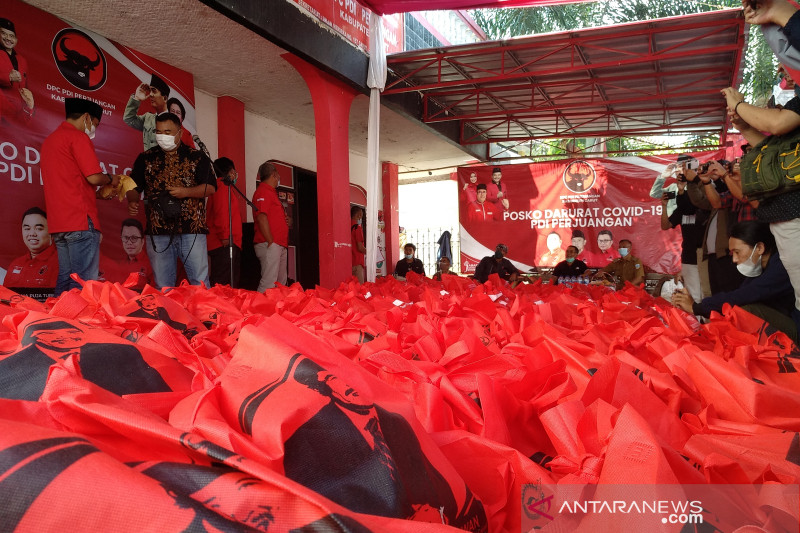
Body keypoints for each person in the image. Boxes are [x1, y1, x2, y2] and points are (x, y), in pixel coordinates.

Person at [127, 112, 215, 289]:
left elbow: (211, 187)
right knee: (163, 286)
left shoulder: (197, 157)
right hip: (158, 231)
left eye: (168, 132)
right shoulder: (146, 158)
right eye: (159, 132)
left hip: (192, 229)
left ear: (180, 133)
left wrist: (185, 192)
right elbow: (132, 188)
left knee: (200, 283)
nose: (162, 136)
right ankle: (167, 316)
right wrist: (132, 200)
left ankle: (204, 315)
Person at [40, 98, 119, 296]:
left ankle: (58, 323)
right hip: (80, 222)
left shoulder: (50, 141)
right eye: (95, 124)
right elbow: (93, 177)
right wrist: (111, 178)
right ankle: (78, 324)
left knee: (66, 278)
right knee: (82, 282)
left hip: (59, 224)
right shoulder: (77, 137)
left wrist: (99, 195)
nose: (94, 129)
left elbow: (70, 183)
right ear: (86, 117)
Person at [672, 221, 797, 342]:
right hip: (784, 323)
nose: (734, 259)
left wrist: (697, 307)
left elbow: (743, 296)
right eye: (732, 253)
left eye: (737, 252)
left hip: (796, 330)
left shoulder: (781, 267)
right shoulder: (760, 267)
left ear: (759, 248)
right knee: (735, 309)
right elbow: (740, 294)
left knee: (745, 311)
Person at [0, 319, 170, 401]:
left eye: (72, 334)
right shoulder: (16, 366)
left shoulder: (121, 352)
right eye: (47, 335)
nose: (65, 339)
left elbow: (158, 393)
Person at [660, 179, 705, 303]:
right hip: (689, 255)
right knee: (693, 294)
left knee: (707, 292)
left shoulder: (705, 208)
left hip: (705, 255)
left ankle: (709, 320)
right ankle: (696, 321)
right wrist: (664, 206)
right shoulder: (682, 210)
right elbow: (665, 225)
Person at [252, 162, 289, 291]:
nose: (279, 178)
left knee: (280, 284)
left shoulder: (272, 193)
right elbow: (261, 217)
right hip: (270, 244)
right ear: (274, 174)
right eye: (278, 174)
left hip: (279, 244)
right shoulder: (263, 191)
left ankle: (278, 310)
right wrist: (270, 241)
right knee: (269, 283)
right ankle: (261, 310)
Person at [207, 157, 242, 287]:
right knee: (223, 283)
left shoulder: (224, 186)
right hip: (223, 243)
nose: (235, 174)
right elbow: (221, 213)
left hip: (227, 242)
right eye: (234, 171)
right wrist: (225, 236)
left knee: (230, 281)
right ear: (230, 171)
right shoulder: (221, 186)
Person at [3, 207, 58, 289]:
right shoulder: (16, 264)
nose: (32, 233)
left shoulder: (61, 263)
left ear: (51, 233)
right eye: (27, 229)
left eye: (39, 229)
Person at [101, 219, 153, 290]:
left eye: (134, 238)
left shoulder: (151, 264)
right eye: (126, 238)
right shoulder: (117, 264)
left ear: (142, 241)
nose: (129, 242)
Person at [0, 18, 34, 125]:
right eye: (4, 34)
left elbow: (26, 88)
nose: (8, 38)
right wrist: (8, 78)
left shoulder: (22, 60)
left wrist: (29, 106)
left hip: (16, 119)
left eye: (12, 36)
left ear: (16, 40)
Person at [123, 73, 170, 150]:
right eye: (150, 91)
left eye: (154, 91)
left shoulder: (173, 121)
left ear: (165, 98)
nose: (150, 94)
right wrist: (137, 98)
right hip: (147, 161)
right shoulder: (148, 118)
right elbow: (128, 119)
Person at [351, 205, 366, 284]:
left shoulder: (346, 226)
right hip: (357, 262)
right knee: (360, 289)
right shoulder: (357, 228)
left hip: (349, 262)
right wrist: (369, 252)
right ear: (359, 215)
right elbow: (360, 247)